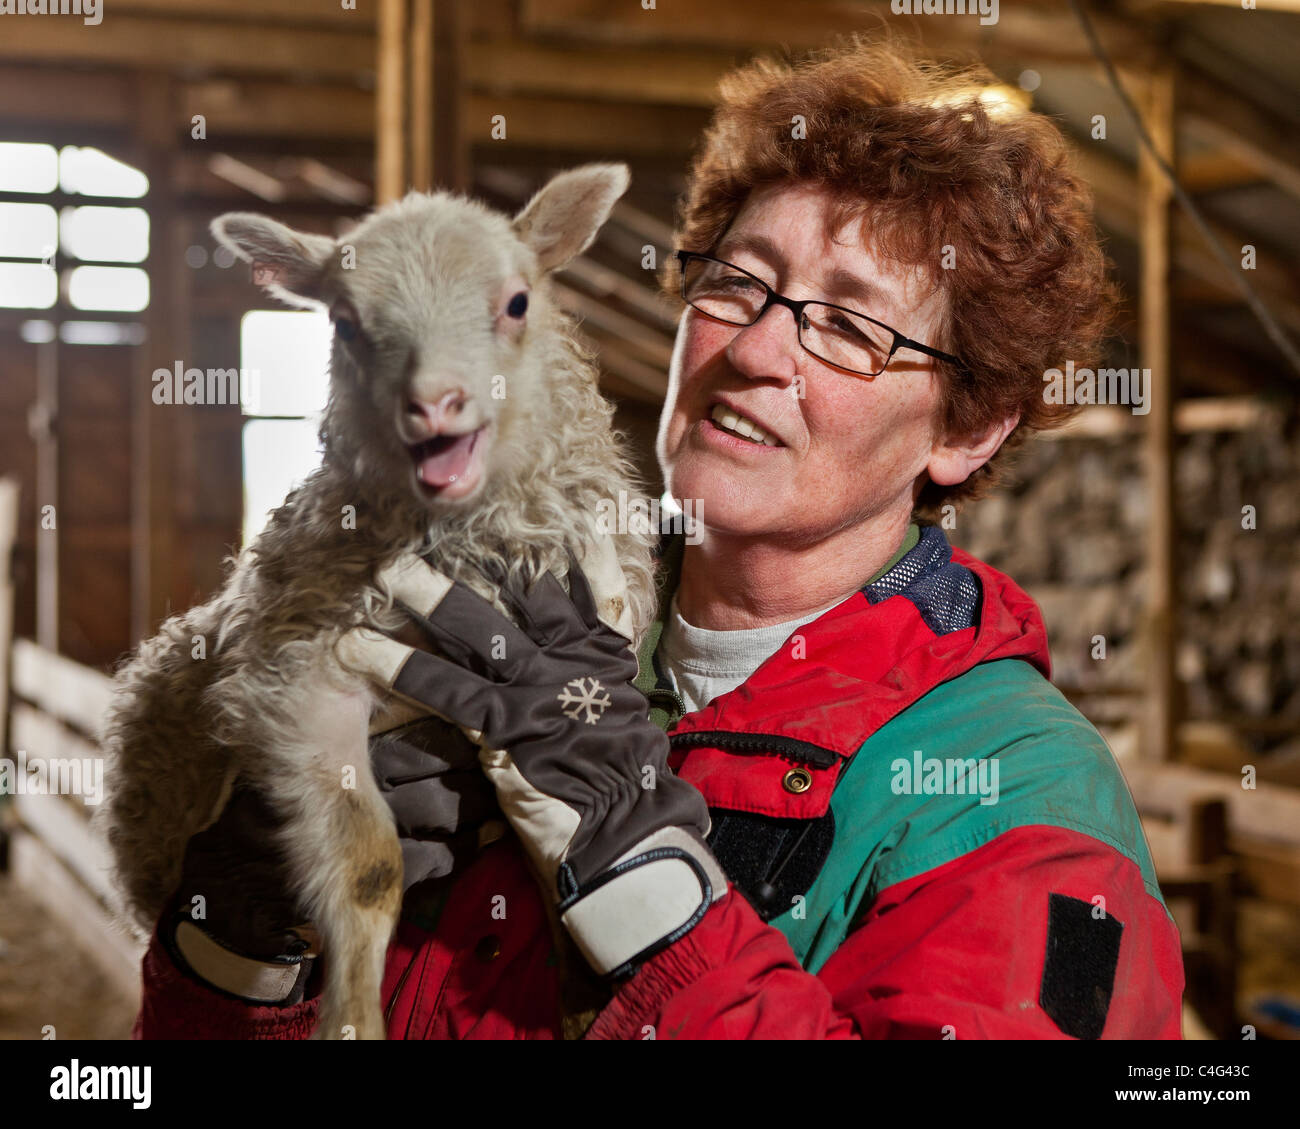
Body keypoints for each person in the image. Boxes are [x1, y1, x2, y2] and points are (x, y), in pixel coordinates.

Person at [134, 34, 1184, 1040]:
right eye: (736, 281)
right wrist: (252, 937)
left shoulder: (1015, 792)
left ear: (964, 428)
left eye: (851, 325)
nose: (759, 345)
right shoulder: (487, 644)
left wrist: (643, 878)